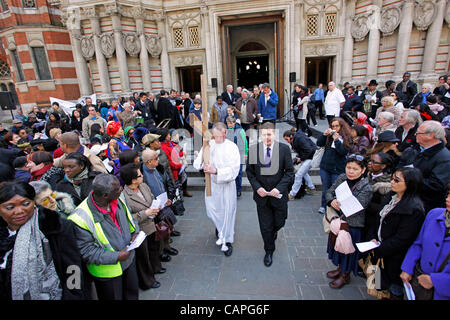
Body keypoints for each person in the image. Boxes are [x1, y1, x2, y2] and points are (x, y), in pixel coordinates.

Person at [0, 181, 88, 300]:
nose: (19, 211)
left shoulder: (56, 226)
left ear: (34, 203)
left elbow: (73, 268)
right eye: (10, 207)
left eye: (25, 204)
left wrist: (74, 295)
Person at [68, 174, 139, 300]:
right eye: (117, 189)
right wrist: (117, 256)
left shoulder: (118, 199)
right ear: (105, 195)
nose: (121, 189)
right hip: (108, 273)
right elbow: (86, 251)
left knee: (131, 295)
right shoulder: (80, 217)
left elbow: (130, 219)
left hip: (128, 261)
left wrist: (135, 233)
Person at [367, 167, 425, 299]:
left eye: (396, 180)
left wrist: (380, 249)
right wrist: (372, 238)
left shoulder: (414, 209)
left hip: (395, 258)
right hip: (379, 251)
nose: (392, 182)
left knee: (394, 288)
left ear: (410, 184)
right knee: (380, 284)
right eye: (392, 178)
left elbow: (403, 239)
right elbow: (378, 220)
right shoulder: (391, 196)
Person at [246, 122, 294, 266]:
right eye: (264, 135)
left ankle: (273, 231)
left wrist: (279, 189)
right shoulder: (254, 150)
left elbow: (289, 172)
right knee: (265, 226)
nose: (267, 137)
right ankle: (269, 250)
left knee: (279, 222)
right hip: (262, 197)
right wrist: (257, 187)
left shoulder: (284, 149)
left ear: (274, 134)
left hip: (278, 196)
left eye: (269, 134)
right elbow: (250, 172)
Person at [325, 154, 373, 289]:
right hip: (339, 221)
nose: (351, 171)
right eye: (348, 167)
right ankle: (340, 269)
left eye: (355, 169)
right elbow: (329, 191)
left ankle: (345, 275)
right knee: (337, 247)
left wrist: (339, 204)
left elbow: (357, 207)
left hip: (353, 225)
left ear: (363, 170)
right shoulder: (342, 178)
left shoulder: (366, 187)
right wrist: (331, 201)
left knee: (347, 251)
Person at [194, 122, 241, 256]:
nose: (216, 139)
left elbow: (234, 170)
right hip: (212, 185)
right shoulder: (209, 145)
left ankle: (227, 241)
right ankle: (220, 229)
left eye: (219, 136)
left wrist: (216, 171)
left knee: (227, 212)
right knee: (212, 211)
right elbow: (197, 164)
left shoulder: (232, 147)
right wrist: (202, 157)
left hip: (226, 186)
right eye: (214, 136)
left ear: (225, 133)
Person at [400, 182, 450, 300]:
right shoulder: (434, 214)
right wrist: (407, 268)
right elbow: (419, 243)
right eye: (448, 194)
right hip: (419, 285)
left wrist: (436, 281)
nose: (448, 199)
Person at [120, 163, 164, 290]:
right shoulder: (124, 196)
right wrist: (145, 213)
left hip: (151, 225)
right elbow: (128, 218)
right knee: (143, 257)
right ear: (133, 180)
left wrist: (157, 207)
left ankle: (156, 267)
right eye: (140, 175)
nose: (142, 176)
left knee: (153, 249)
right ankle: (147, 281)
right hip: (140, 230)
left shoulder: (143, 186)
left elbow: (151, 199)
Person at [141, 149, 179, 262]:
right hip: (153, 207)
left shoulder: (157, 169)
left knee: (166, 226)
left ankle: (167, 247)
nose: (158, 160)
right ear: (148, 162)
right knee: (158, 230)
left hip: (164, 202)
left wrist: (169, 198)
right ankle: (161, 252)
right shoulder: (142, 173)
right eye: (155, 159)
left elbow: (166, 182)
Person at [412, 121, 450, 213]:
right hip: (414, 199)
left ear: (430, 136)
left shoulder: (444, 158)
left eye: (419, 133)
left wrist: (409, 179)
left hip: (425, 206)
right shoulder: (419, 149)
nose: (415, 134)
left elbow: (436, 185)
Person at [316, 118, 352, 214]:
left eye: (337, 126)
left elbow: (342, 151)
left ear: (341, 127)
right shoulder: (329, 136)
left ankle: (335, 206)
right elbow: (319, 143)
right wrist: (324, 135)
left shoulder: (346, 138)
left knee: (335, 188)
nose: (334, 128)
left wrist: (337, 141)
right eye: (333, 126)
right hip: (325, 166)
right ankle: (324, 205)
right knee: (325, 188)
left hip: (337, 168)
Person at [364, 152, 394, 241]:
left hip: (374, 219)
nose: (370, 163)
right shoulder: (368, 174)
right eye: (370, 160)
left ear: (383, 166)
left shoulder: (388, 182)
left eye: (374, 162)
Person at [282, 129, 317, 199]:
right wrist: (299, 158)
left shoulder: (299, 139)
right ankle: (312, 188)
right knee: (303, 173)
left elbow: (309, 150)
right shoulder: (296, 138)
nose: (286, 141)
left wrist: (301, 158)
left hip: (311, 157)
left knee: (298, 175)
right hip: (308, 156)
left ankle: (292, 194)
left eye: (287, 139)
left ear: (291, 136)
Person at [226, 116, 248, 197]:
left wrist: (245, 152)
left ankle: (238, 189)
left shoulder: (240, 130)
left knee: (238, 173)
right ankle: (231, 189)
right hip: (229, 154)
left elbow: (245, 141)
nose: (230, 125)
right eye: (229, 123)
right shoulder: (226, 130)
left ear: (235, 122)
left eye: (232, 123)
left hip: (239, 154)